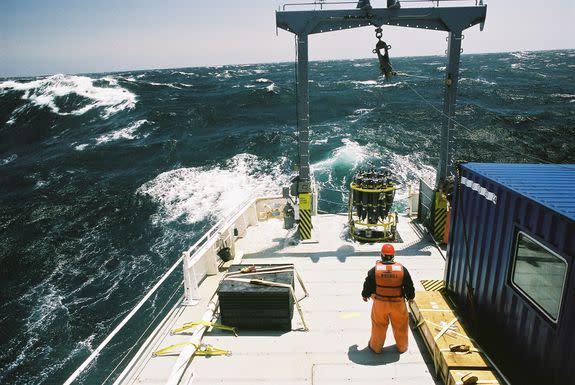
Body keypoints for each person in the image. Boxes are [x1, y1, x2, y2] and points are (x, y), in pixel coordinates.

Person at [361, 243, 415, 353]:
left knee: (378, 326)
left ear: (381, 255)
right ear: (393, 256)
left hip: (380, 303)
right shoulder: (402, 269)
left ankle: (376, 348)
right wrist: (410, 297)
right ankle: (402, 347)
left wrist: (365, 295)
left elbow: (368, 285)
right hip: (398, 303)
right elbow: (409, 285)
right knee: (401, 326)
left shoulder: (374, 270)